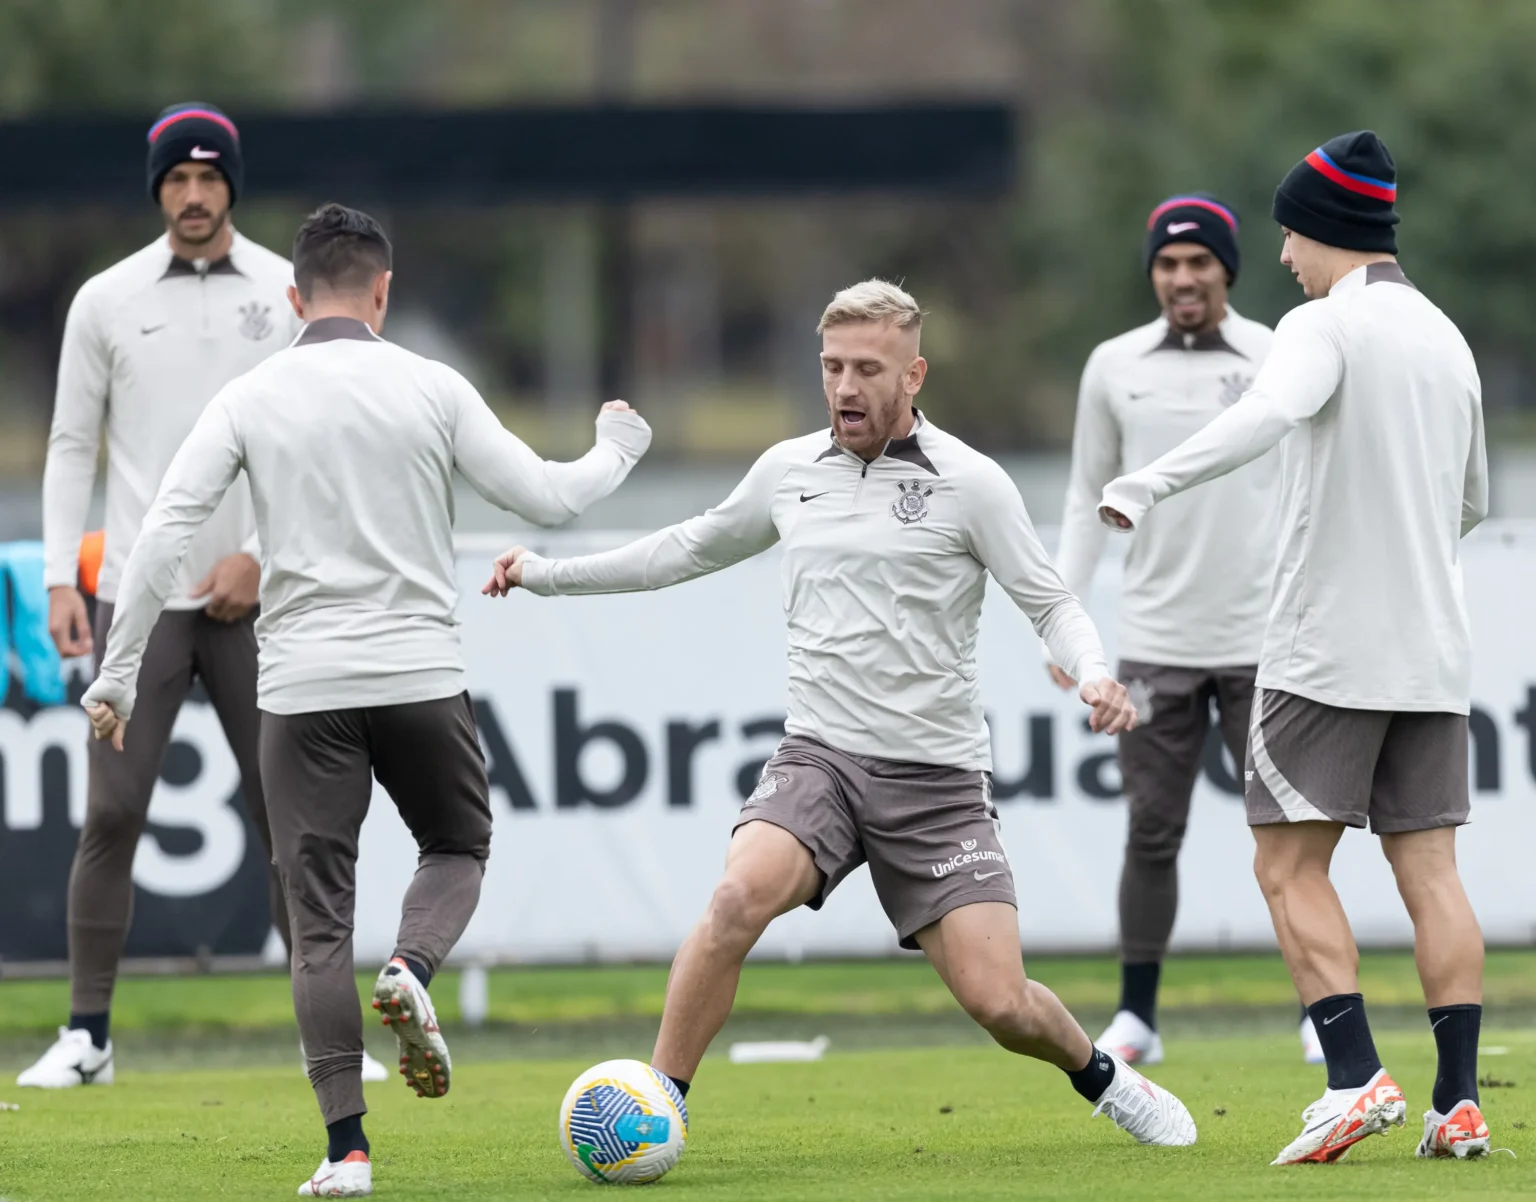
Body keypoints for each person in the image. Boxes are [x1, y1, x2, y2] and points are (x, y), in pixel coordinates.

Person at [486, 278, 1199, 1153]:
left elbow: (1052, 602)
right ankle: (658, 1108)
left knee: (1000, 1003)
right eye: (832, 367)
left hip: (936, 781)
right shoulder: (788, 472)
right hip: (819, 759)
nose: (846, 387)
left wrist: (1094, 673)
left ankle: (1103, 1076)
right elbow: (684, 548)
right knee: (736, 898)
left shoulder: (972, 483)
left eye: (868, 368)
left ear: (916, 375)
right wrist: (547, 572)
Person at [80, 203, 653, 1198]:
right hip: (419, 675)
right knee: (459, 847)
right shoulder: (430, 385)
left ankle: (346, 1150)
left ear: (295, 299)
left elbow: (164, 534)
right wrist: (621, 444)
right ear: (383, 293)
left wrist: (119, 670)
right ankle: (417, 968)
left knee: (317, 926)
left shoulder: (249, 396)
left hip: (301, 691)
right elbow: (552, 498)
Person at [1099, 131, 1490, 1164]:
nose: (1280, 258)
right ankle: (1460, 1101)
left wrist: (1147, 481)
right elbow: (1474, 502)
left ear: (1326, 230)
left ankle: (1355, 1075)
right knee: (1434, 872)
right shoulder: (1447, 338)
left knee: (1283, 861)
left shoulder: (1325, 324)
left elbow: (1267, 414)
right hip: (1436, 655)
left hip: (1326, 650)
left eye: (1287, 235)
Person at [21, 101, 391, 1088]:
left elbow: (320, 436)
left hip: (255, 600)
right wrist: (65, 573)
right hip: (139, 605)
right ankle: (88, 1035)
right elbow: (70, 444)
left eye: (208, 179)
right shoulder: (104, 299)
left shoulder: (287, 290)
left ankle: (331, 1034)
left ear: (231, 184)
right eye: (176, 181)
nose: (192, 196)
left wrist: (262, 555)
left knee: (291, 824)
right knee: (113, 813)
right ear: (158, 190)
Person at [1050, 195, 1322, 1065]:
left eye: (1198, 263)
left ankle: (1324, 1012)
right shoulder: (1112, 365)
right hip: (1157, 642)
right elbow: (1087, 495)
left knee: (1289, 837)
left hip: (1266, 640)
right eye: (1167, 266)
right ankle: (1138, 1016)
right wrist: (1066, 620)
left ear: (1227, 270)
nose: (1182, 279)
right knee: (1152, 830)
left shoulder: (1280, 352)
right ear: (1153, 275)